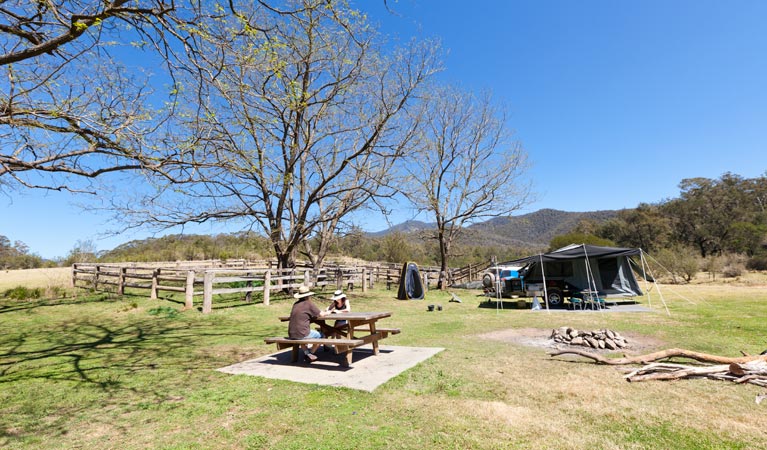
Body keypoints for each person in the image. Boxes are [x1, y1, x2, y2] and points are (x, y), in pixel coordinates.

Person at [288, 285, 327, 362]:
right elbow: (321, 314)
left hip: (291, 333)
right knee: (322, 336)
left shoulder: (295, 304)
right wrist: (327, 312)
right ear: (308, 296)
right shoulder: (309, 303)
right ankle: (310, 353)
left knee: (301, 334)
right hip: (302, 333)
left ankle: (307, 353)